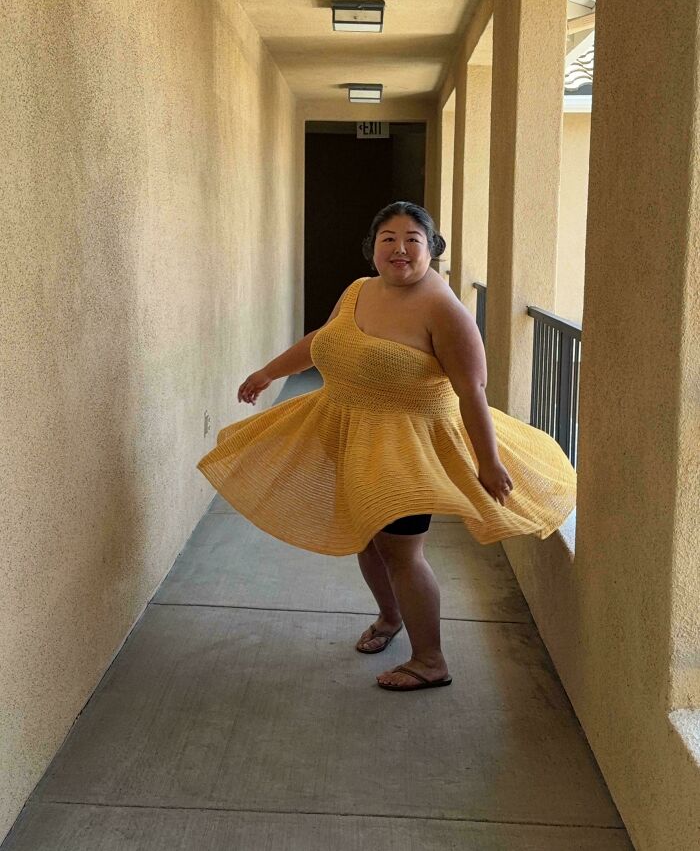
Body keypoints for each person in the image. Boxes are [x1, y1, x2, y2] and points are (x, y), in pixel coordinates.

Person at [197, 201, 577, 692]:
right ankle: (389, 616)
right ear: (373, 248)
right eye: (388, 238)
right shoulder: (358, 290)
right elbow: (324, 340)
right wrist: (271, 371)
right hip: (352, 436)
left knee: (402, 553)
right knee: (368, 538)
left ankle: (430, 660)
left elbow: (472, 392)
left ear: (431, 249)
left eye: (413, 239)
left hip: (409, 450)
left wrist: (488, 461)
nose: (400, 249)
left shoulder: (444, 309)